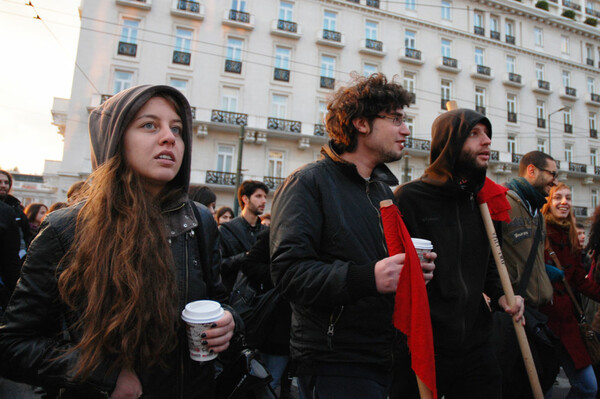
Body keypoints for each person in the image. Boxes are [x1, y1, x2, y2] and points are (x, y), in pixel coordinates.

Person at [0, 85, 236, 399]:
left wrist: (230, 322)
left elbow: (219, 300)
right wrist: (104, 376)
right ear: (115, 138)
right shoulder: (67, 228)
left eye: (177, 129)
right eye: (149, 125)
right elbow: (13, 344)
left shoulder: (199, 221)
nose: (169, 137)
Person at [270, 73, 436, 399]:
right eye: (397, 119)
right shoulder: (308, 183)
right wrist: (368, 277)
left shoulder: (381, 189)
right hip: (335, 361)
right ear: (361, 123)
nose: (406, 130)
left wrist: (411, 272)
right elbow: (288, 273)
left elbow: (382, 266)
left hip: (384, 355)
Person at [393, 108, 524, 398]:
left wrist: (503, 294)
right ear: (449, 142)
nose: (487, 141)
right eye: (474, 134)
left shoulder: (481, 202)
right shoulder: (410, 198)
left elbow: (490, 263)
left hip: (477, 342)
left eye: (487, 133)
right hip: (427, 344)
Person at [494, 151, 558, 398]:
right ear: (532, 170)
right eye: (551, 173)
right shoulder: (503, 203)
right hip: (514, 316)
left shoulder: (537, 213)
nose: (554, 180)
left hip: (537, 315)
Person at [542, 183, 600, 398]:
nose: (564, 202)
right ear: (548, 202)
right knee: (542, 388)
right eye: (558, 197)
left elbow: (578, 280)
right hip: (542, 324)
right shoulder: (539, 232)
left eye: (568, 197)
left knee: (588, 386)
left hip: (567, 324)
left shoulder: (571, 235)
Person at [219, 180, 268, 292]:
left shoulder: (266, 231)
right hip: (233, 296)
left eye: (265, 196)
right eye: (258, 196)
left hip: (261, 297)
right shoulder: (227, 230)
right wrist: (245, 256)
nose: (264, 201)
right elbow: (218, 264)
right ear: (245, 199)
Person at [0, 170, 32, 258]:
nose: (3, 185)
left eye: (6, 182)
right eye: (0, 182)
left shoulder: (16, 209)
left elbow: (26, 234)